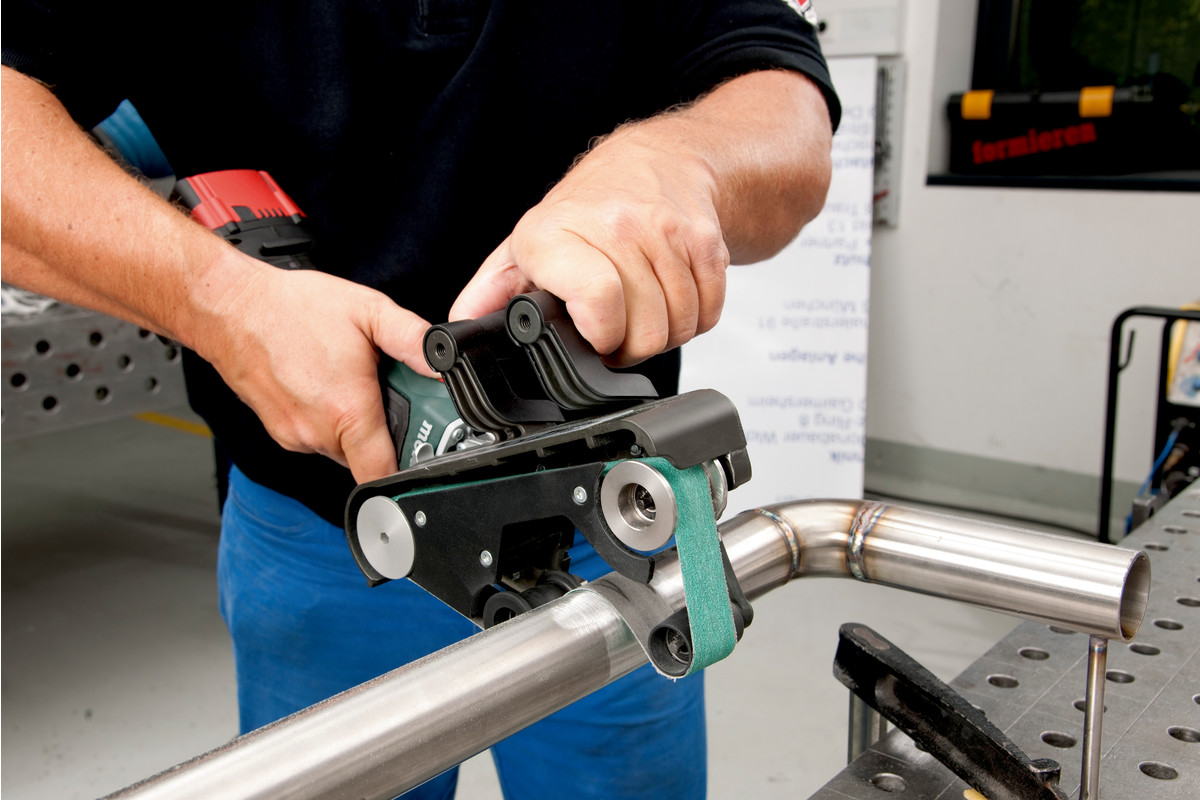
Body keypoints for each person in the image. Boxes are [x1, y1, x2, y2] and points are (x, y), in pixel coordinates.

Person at [2, 2, 838, 797]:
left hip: (609, 521)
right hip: (321, 529)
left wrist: (678, 164)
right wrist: (215, 298)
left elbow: (782, 102)